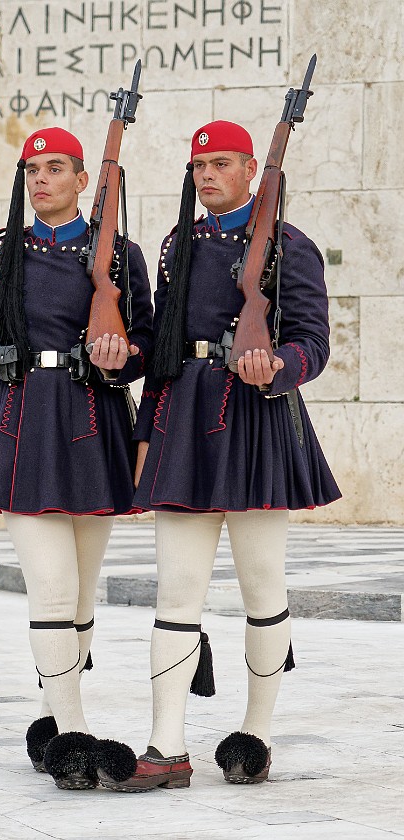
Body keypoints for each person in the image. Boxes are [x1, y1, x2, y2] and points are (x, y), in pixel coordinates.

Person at [98, 120, 341, 792]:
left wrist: (278, 365)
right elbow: (163, 343)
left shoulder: (292, 247)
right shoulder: (179, 243)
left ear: (251, 171)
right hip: (184, 419)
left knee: (263, 587)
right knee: (176, 591)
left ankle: (256, 736)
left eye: (221, 163)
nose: (206, 175)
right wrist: (144, 425)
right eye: (198, 164)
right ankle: (166, 745)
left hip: (257, 421)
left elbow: (314, 343)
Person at [0, 127, 152, 790]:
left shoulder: (120, 255)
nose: (41, 180)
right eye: (32, 171)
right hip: (22, 420)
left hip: (94, 419)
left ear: (85, 179)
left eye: (55, 169)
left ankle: (50, 717)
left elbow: (145, 343)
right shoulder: (1, 253)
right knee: (52, 588)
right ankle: (75, 735)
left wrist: (123, 358)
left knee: (82, 591)